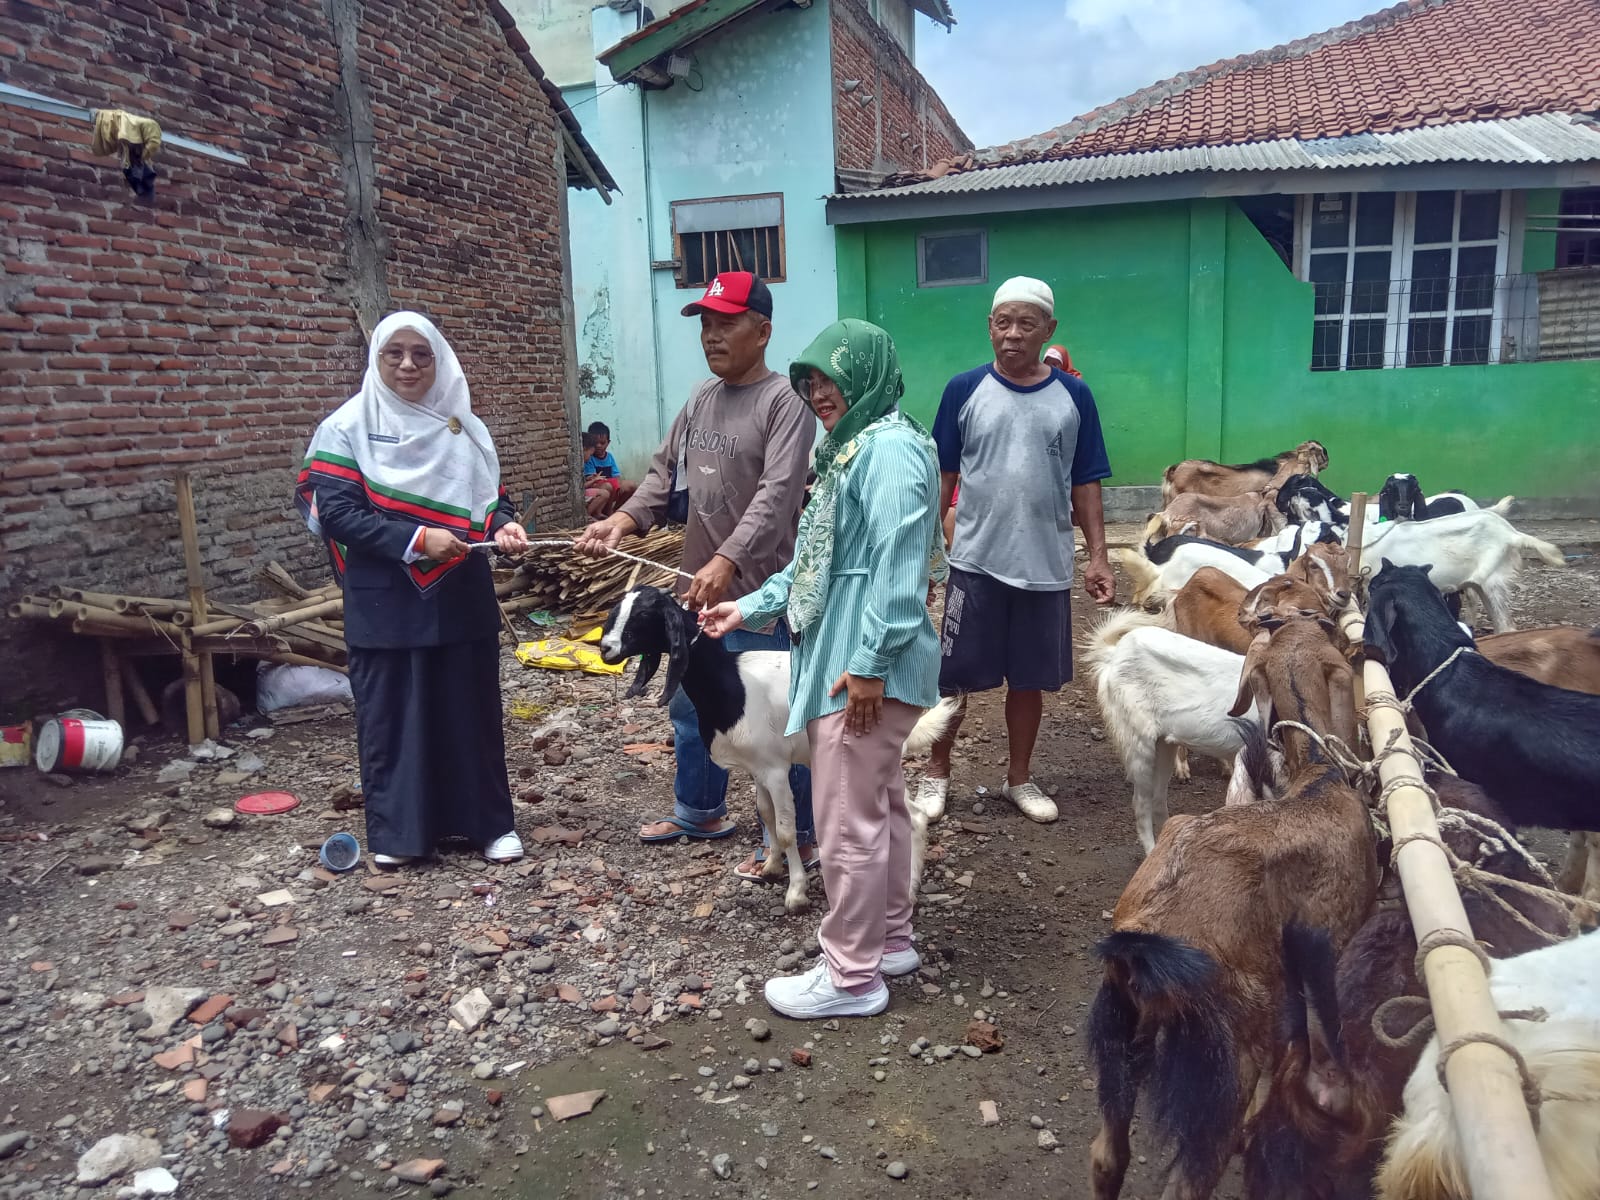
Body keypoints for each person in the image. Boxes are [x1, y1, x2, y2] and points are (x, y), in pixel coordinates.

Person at [700, 319, 946, 1019]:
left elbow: (899, 569)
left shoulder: (889, 451)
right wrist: (744, 609)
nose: (819, 392)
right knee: (881, 810)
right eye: (810, 381)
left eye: (833, 377)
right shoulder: (855, 449)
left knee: (846, 826)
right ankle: (889, 940)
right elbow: (820, 572)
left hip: (860, 671)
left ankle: (850, 976)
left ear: (868, 374)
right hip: (850, 660)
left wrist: (869, 665)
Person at [576, 271, 818, 879]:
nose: (711, 335)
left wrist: (727, 559)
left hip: (762, 594)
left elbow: (777, 496)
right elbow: (661, 477)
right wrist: (625, 523)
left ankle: (799, 837)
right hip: (697, 591)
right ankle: (701, 811)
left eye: (725, 323)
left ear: (762, 332)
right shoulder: (700, 398)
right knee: (692, 704)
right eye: (706, 324)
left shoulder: (786, 405)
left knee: (776, 715)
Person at [295, 312, 529, 866]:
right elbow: (339, 515)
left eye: (421, 354)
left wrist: (504, 527)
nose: (407, 365)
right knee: (393, 717)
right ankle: (400, 835)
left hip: (460, 595)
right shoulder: (345, 428)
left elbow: (492, 502)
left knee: (469, 711)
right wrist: (419, 539)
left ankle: (488, 825)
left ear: (439, 360)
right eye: (393, 353)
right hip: (386, 598)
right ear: (375, 359)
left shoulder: (464, 427)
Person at [917, 277, 1115, 825]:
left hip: (1045, 565)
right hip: (975, 561)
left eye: (1026, 324)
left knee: (1030, 680)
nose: (1012, 335)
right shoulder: (964, 390)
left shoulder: (1074, 397)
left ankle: (1018, 779)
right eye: (1002, 323)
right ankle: (935, 774)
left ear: (1048, 330)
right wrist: (927, 554)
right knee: (952, 676)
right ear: (989, 327)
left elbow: (1088, 480)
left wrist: (1097, 555)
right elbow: (944, 476)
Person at [582, 420, 636, 514]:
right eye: (595, 443)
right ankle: (607, 512)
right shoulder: (588, 458)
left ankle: (617, 511)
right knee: (608, 486)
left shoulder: (609, 456)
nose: (599, 446)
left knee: (630, 485)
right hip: (601, 489)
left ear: (608, 442)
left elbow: (616, 476)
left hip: (611, 487)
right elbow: (592, 480)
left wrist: (618, 485)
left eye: (602, 443)